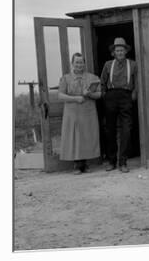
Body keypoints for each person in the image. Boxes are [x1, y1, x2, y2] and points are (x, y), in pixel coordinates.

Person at [57, 53, 101, 174]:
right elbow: (60, 95)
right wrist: (75, 99)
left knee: (87, 136)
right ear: (72, 64)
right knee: (74, 137)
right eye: (76, 62)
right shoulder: (65, 78)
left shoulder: (92, 77)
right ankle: (77, 164)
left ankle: (85, 164)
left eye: (81, 62)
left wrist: (90, 94)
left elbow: (99, 94)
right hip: (72, 112)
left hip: (88, 111)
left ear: (84, 64)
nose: (79, 65)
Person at [100, 37, 137, 173]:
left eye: (122, 50)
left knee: (126, 130)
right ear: (114, 52)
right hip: (111, 96)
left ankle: (123, 162)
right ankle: (111, 161)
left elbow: (137, 82)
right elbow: (102, 81)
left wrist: (134, 94)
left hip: (126, 97)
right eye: (117, 50)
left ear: (126, 51)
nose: (120, 52)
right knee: (110, 129)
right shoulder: (108, 65)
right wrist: (105, 95)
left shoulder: (132, 64)